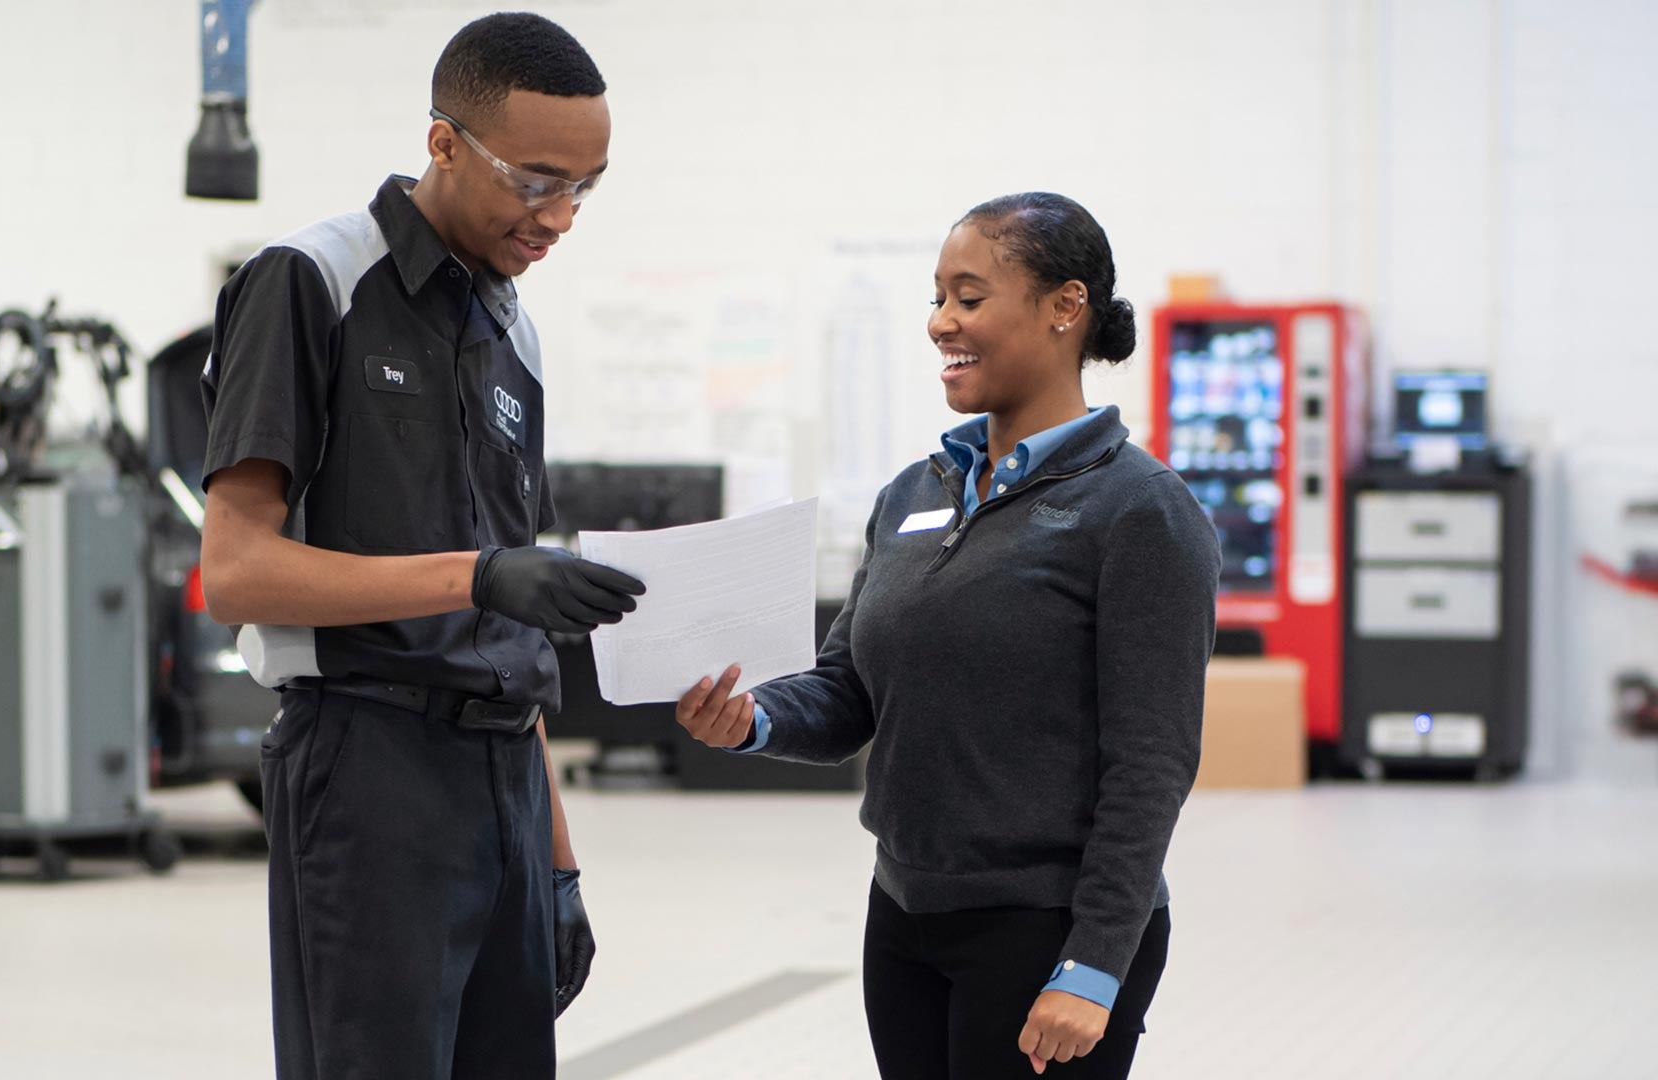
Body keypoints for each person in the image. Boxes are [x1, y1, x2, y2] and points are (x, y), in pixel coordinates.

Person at [675, 193, 1220, 1078]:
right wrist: (753, 719)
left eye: (969, 297)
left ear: (1064, 307)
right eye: (937, 298)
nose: (940, 323)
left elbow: (1152, 764)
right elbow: (847, 690)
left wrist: (1095, 964)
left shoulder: (1140, 511)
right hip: (903, 914)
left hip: (1045, 930)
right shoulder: (916, 493)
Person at [197, 14, 644, 1079]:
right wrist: (478, 576)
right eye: (537, 183)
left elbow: (512, 638)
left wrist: (558, 862)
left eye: (587, 186)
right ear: (443, 144)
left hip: (502, 781)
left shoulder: (511, 331)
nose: (562, 218)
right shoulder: (312, 283)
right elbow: (238, 571)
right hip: (368, 768)